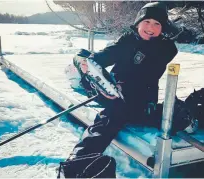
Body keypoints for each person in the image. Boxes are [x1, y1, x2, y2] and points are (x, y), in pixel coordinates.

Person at [58, 2, 195, 178]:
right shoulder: (126, 41)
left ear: (163, 28)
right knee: (108, 120)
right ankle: (76, 165)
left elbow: (154, 61)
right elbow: (102, 57)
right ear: (138, 22)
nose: (151, 28)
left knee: (177, 117)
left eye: (157, 24)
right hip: (117, 97)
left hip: (145, 103)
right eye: (147, 22)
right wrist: (85, 61)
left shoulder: (165, 48)